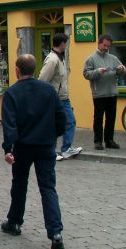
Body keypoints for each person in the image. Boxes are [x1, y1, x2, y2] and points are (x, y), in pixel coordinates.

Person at [1, 54, 66, 249]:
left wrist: (8, 148)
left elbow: (10, 124)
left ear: (17, 70)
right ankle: (55, 233)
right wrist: (54, 134)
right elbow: (61, 116)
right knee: (48, 188)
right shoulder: (48, 90)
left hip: (23, 146)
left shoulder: (12, 93)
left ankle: (15, 222)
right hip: (45, 145)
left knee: (19, 184)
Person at [38, 33, 83, 161]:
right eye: (66, 43)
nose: (67, 45)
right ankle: (51, 151)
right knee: (53, 125)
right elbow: (42, 79)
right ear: (62, 44)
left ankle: (66, 149)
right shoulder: (52, 59)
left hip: (63, 97)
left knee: (70, 121)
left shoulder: (60, 57)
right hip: (54, 98)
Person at [83, 34, 126, 151]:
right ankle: (98, 141)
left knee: (111, 118)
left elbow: (123, 70)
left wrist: (121, 69)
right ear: (99, 43)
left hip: (112, 92)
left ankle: (109, 140)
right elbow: (86, 74)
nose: (106, 48)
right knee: (98, 119)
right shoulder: (91, 59)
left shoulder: (113, 58)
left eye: (108, 46)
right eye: (104, 45)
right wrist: (97, 72)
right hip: (99, 94)